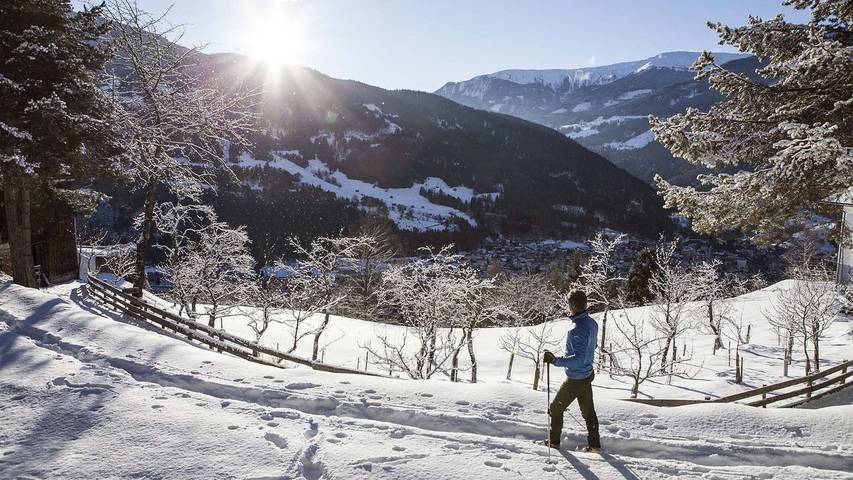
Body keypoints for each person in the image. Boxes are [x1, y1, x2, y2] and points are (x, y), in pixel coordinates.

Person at [542, 289, 601, 452]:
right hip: (587, 374)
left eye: (569, 304)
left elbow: (578, 359)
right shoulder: (592, 323)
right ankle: (595, 445)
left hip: (576, 378)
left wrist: (555, 360)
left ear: (573, 306)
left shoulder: (576, 328)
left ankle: (553, 442)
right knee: (588, 412)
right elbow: (593, 346)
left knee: (555, 408)